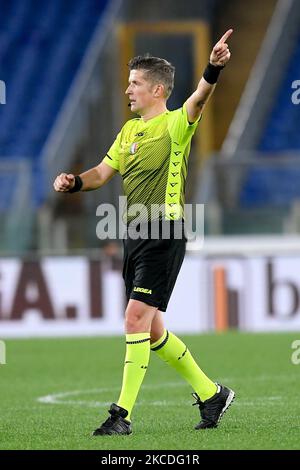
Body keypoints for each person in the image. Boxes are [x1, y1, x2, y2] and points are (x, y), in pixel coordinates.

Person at [53, 29, 235, 435]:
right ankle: (212, 394)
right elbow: (101, 173)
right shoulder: (129, 131)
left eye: (134, 83)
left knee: (135, 318)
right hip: (133, 234)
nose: (127, 89)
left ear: (157, 89)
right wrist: (74, 182)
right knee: (151, 330)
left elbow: (199, 98)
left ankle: (121, 416)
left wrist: (213, 68)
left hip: (164, 232)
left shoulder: (176, 124)